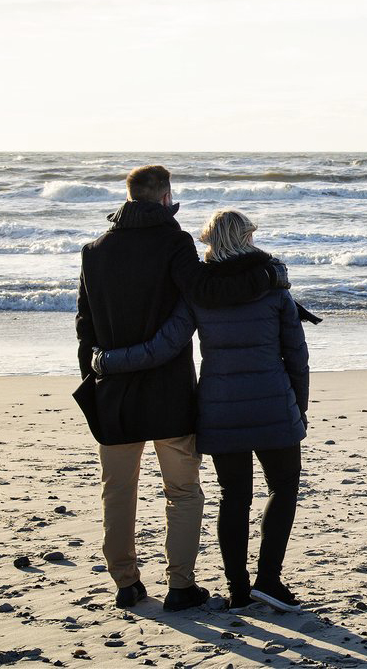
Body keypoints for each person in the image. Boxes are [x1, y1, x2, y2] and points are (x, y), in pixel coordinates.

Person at [75, 165, 290, 612]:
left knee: (117, 491)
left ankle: (126, 584)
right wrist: (269, 276)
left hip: (112, 391)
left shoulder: (94, 251)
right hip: (169, 393)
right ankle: (180, 586)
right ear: (166, 194)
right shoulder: (173, 242)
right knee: (183, 492)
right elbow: (206, 290)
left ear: (128, 194)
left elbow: (85, 327)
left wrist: (94, 381)